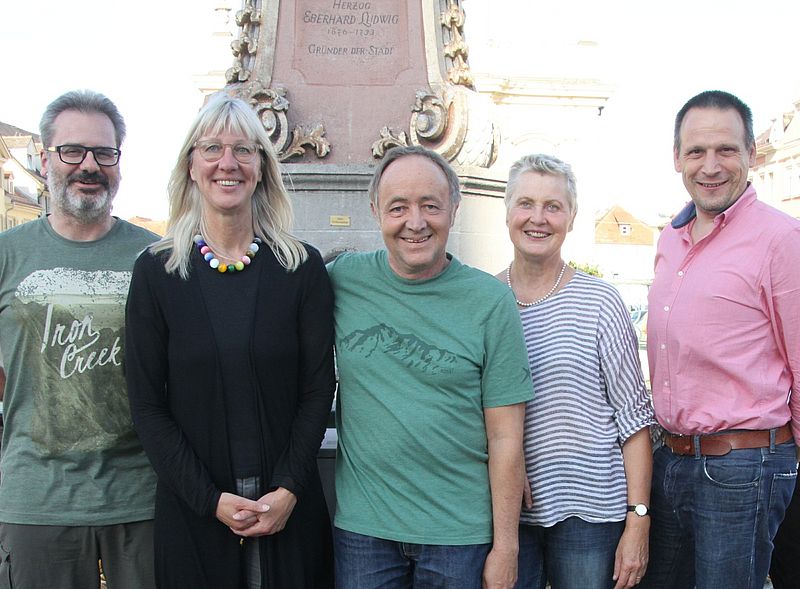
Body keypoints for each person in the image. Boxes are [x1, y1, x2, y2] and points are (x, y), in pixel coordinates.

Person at [124, 93, 335, 589]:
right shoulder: (157, 272)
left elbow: (316, 390)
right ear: (191, 166)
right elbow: (147, 405)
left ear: (262, 167)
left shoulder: (299, 269)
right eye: (212, 149)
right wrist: (208, 499)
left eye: (244, 150)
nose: (228, 163)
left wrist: (287, 489)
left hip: (289, 509)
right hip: (194, 511)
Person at [328, 145, 533, 589]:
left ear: (454, 210)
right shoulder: (341, 281)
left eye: (430, 206)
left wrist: (506, 547)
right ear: (375, 211)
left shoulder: (490, 302)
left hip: (460, 537)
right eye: (398, 207)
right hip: (366, 531)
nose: (415, 223)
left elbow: (504, 436)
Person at [641, 90, 800, 589]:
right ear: (676, 158)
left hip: (743, 467)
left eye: (726, 150)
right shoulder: (670, 237)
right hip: (669, 461)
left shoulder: (782, 239)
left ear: (752, 154)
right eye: (696, 151)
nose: (711, 166)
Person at [0, 90, 157, 589]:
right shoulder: (8, 254)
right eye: (73, 151)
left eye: (104, 153)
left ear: (118, 163)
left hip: (142, 500)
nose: (89, 166)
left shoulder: (156, 257)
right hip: (37, 500)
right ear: (46, 158)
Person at [497, 154, 654, 589]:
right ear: (507, 211)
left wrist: (638, 520)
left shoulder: (601, 301)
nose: (538, 218)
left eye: (553, 206)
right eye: (526, 203)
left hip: (591, 515)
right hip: (508, 513)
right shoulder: (484, 300)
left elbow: (634, 420)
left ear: (571, 217)